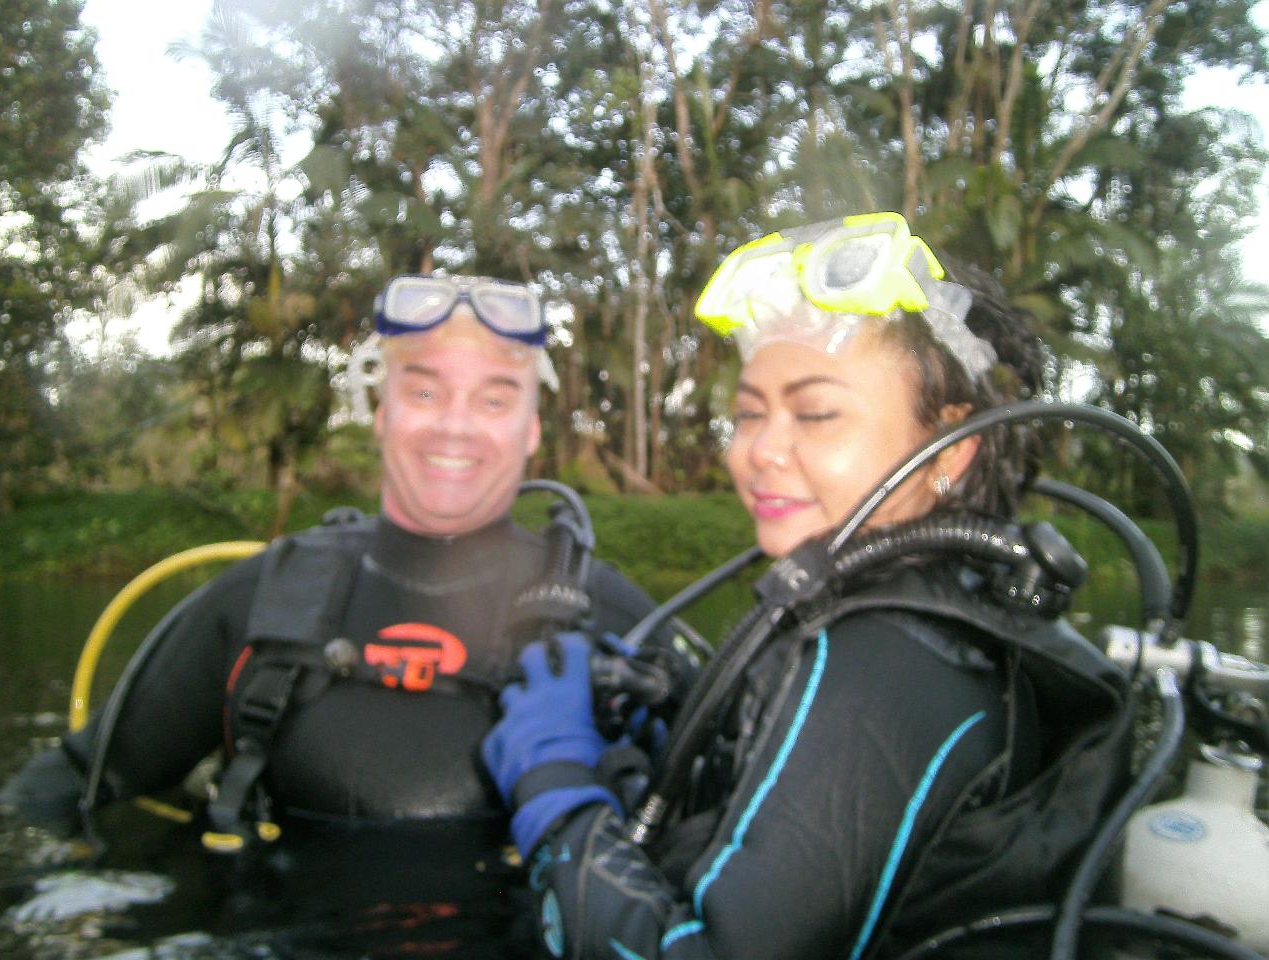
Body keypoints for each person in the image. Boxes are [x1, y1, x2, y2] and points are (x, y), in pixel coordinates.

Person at [481, 213, 1132, 959]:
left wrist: (551, 778)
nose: (761, 450)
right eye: (748, 413)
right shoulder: (954, 610)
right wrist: (680, 711)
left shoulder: (883, 663)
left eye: (816, 413)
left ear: (949, 450)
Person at [0, 274, 686, 953]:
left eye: (494, 399)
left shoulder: (614, 620)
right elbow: (61, 791)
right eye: (424, 391)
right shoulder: (261, 602)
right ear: (381, 412)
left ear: (531, 429)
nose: (455, 425)